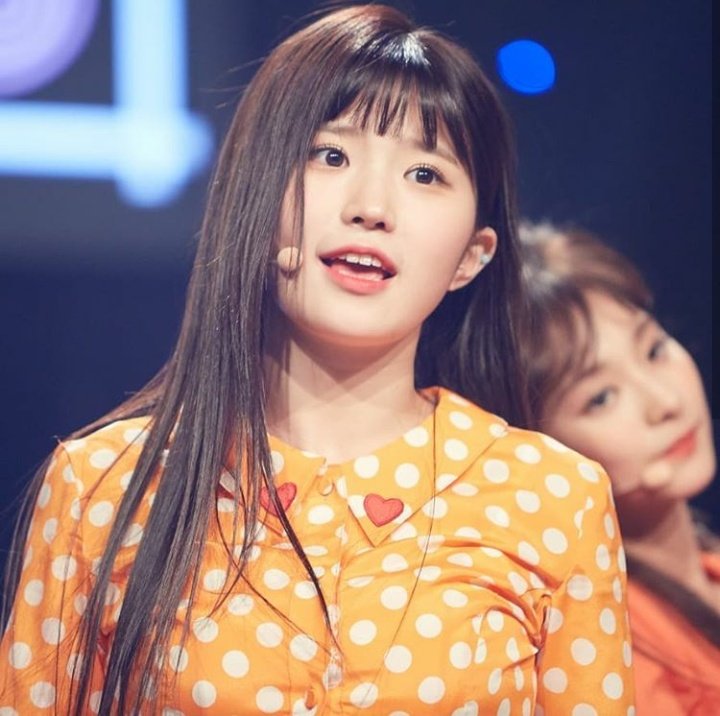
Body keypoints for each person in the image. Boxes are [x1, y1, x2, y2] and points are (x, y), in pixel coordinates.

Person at [0, 7, 634, 714]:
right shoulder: (103, 488)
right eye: (330, 156)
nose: (372, 207)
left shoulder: (555, 498)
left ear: (471, 256)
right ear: (256, 196)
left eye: (425, 173)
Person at [519, 219, 720, 714]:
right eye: (602, 397)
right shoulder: (611, 658)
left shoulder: (708, 567)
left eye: (654, 349)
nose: (665, 401)